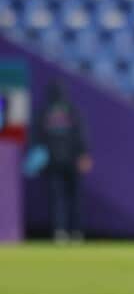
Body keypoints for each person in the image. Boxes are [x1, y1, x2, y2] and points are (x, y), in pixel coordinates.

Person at [32, 82, 92, 243]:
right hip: (68, 162)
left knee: (59, 199)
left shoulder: (44, 113)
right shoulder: (71, 112)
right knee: (71, 199)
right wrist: (83, 154)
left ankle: (62, 232)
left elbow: (37, 140)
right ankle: (74, 232)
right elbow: (80, 135)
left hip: (54, 162)